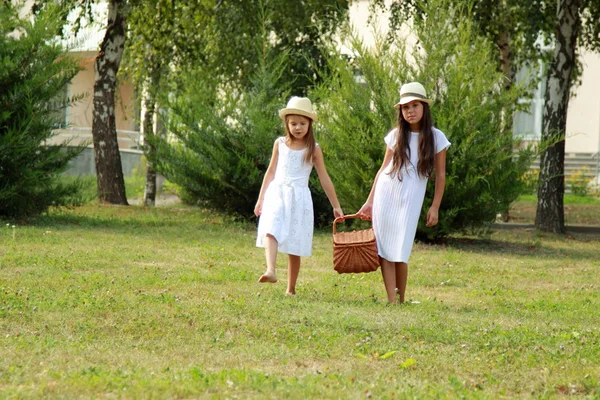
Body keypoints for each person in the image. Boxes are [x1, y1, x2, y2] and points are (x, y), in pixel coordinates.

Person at [358, 82, 450, 304]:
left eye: (414, 105)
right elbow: (383, 169)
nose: (410, 111)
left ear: (424, 107)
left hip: (411, 199)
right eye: (405, 107)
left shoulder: (437, 138)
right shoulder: (396, 135)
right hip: (386, 193)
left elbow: (440, 175)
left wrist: (435, 205)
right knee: (384, 248)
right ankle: (391, 300)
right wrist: (369, 201)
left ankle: (402, 298)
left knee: (401, 247)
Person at [255, 96, 344, 295]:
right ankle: (271, 269)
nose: (297, 127)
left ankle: (291, 288)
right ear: (286, 123)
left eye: (302, 123)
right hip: (277, 193)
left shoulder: (313, 149)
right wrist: (261, 198)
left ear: (310, 124)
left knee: (294, 243)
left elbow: (324, 178)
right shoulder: (280, 143)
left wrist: (335, 205)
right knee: (271, 227)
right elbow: (270, 171)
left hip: (298, 198)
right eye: (293, 123)